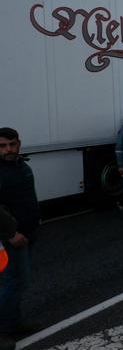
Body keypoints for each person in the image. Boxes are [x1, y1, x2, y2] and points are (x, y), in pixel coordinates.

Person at [0, 128, 40, 343]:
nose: (8, 149)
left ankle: (13, 323)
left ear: (19, 144)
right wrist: (11, 233)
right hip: (12, 238)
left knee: (17, 281)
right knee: (16, 282)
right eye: (2, 145)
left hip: (29, 232)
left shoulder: (22, 166)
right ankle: (5, 327)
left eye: (12, 144)